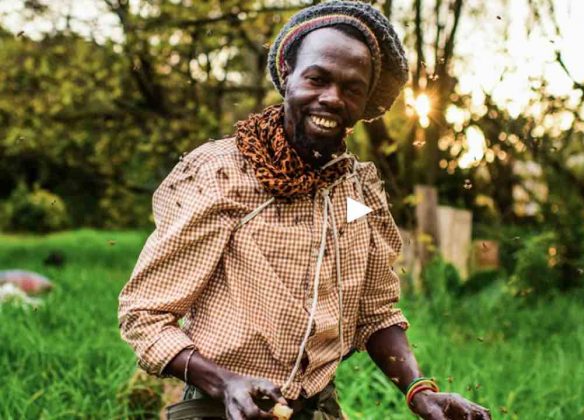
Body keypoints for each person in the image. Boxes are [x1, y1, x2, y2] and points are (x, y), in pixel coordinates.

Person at [118, 2, 491, 419]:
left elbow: (376, 312)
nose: (332, 98)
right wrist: (226, 384)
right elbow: (144, 315)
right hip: (221, 402)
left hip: (317, 407)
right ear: (288, 75)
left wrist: (419, 391)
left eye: (352, 89)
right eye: (317, 79)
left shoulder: (358, 192)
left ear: (365, 102)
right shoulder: (221, 174)